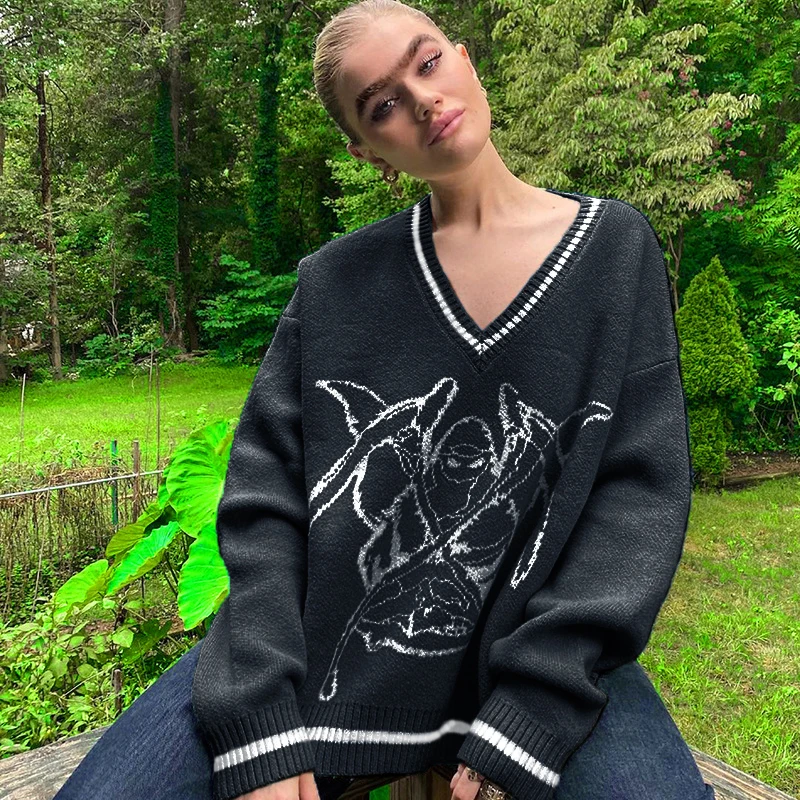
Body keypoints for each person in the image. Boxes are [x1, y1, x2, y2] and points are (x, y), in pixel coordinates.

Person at [53, 2, 718, 800]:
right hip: (325, 661)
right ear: (368, 152)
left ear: (466, 59)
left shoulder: (614, 250)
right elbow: (265, 501)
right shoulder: (332, 284)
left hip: (538, 667)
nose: (423, 99)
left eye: (427, 62)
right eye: (382, 104)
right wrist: (259, 717)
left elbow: (637, 499)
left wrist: (536, 708)